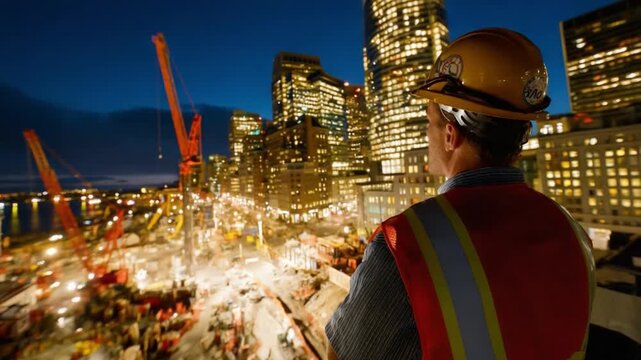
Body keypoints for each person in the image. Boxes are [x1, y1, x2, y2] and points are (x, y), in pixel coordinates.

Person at [326, 28, 595, 360]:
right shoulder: (574, 235)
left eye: (429, 122)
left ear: (450, 135)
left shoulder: (407, 244)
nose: (427, 134)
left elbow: (339, 354)